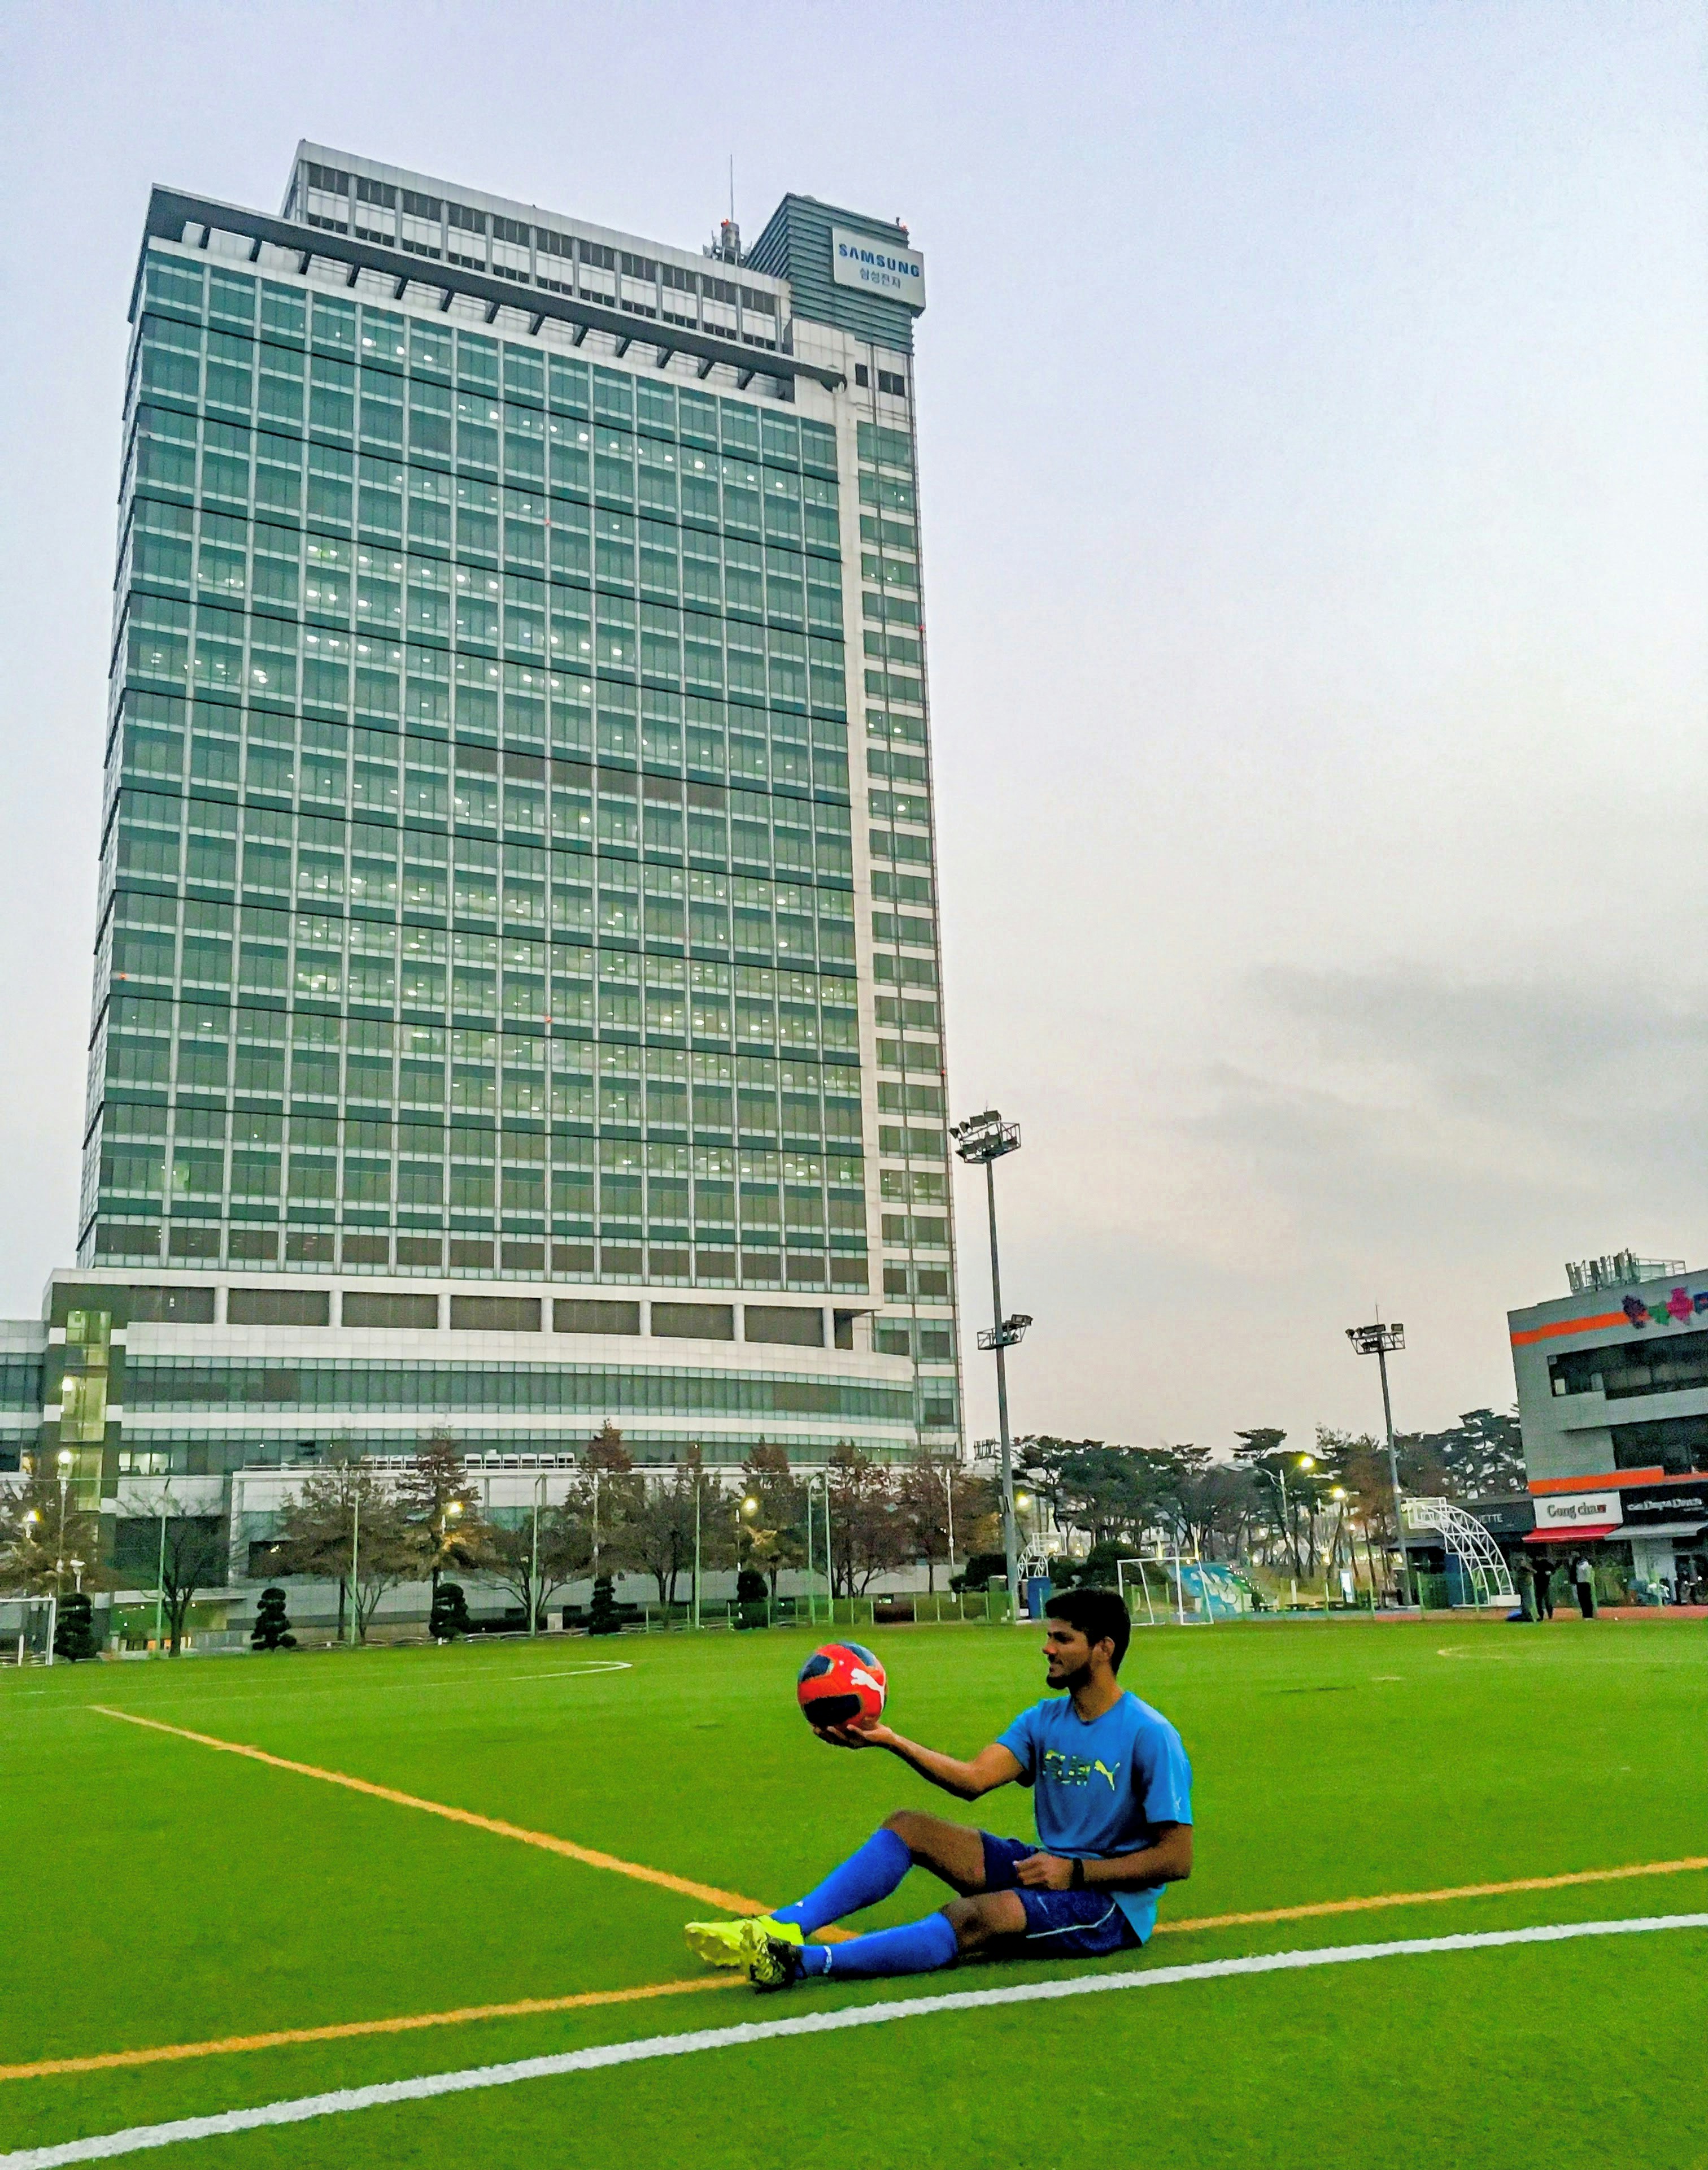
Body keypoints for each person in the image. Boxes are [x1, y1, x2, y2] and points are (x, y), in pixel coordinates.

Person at [683, 1586, 1193, 1994]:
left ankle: (801, 1963)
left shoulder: (1150, 1734)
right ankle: (781, 1927)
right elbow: (973, 1780)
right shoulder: (1044, 1720)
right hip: (1051, 1867)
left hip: (1110, 1905)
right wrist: (889, 1740)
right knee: (910, 1826)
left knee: (976, 1918)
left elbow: (1177, 1859)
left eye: (1062, 1639)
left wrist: (1076, 1870)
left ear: (1103, 1649)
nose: (1047, 1647)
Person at [1512, 1554, 1536, 1622]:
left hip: (1522, 1584)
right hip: (1524, 1584)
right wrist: (1534, 1571)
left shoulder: (1517, 1567)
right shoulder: (1521, 1566)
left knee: (1524, 1600)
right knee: (1527, 1599)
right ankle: (1527, 1615)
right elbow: (1526, 1568)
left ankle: (1525, 1614)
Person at [1574, 1554, 1597, 1620]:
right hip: (1579, 1583)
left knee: (1587, 1599)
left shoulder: (1586, 1564)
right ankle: (1585, 1614)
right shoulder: (1577, 1564)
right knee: (1582, 1600)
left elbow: (1584, 1570)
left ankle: (1589, 1615)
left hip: (1585, 1583)